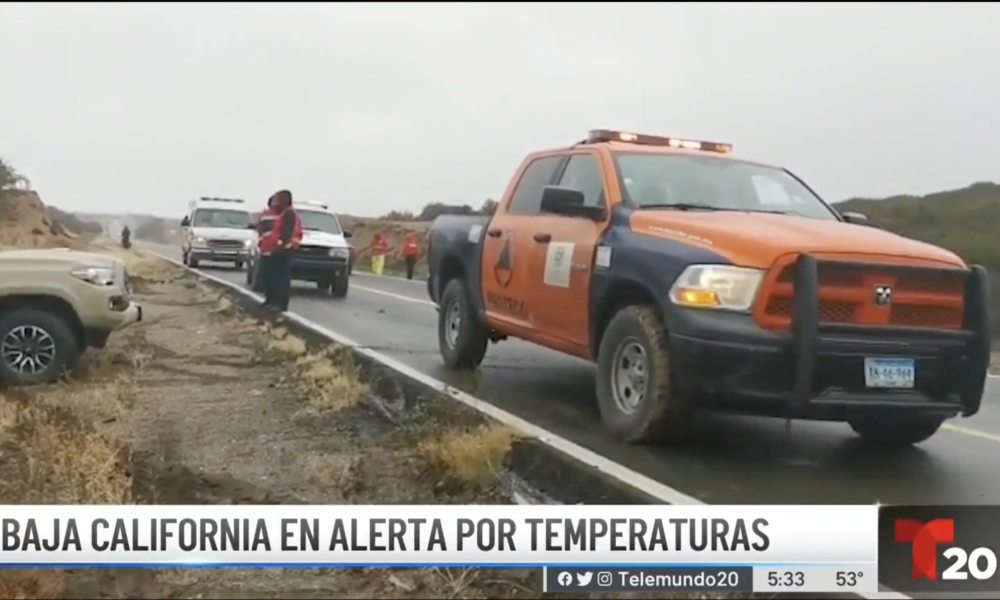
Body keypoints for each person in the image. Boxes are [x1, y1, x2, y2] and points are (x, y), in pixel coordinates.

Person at [265, 189, 302, 312]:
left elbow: (286, 232)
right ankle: (272, 301)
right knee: (274, 277)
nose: (276, 202)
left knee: (281, 279)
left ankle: (280, 304)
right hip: (280, 249)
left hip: (284, 250)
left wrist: (280, 245)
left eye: (278, 199)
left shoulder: (289, 213)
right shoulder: (284, 213)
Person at [256, 197, 281, 306]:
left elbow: (259, 230)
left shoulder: (265, 215)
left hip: (271, 249)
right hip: (275, 250)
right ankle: (272, 299)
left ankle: (271, 299)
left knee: (269, 277)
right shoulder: (282, 215)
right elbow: (260, 229)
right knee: (273, 277)